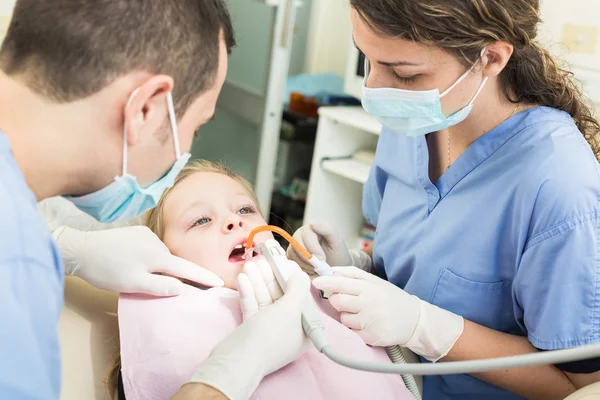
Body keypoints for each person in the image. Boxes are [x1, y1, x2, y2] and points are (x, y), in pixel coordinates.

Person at [287, 0, 600, 399]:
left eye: (404, 73)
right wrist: (349, 269)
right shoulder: (412, 120)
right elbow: (411, 262)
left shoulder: (561, 187)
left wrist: (427, 328)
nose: (374, 88)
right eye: (366, 58)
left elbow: (580, 386)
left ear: (491, 57)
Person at [0, 0, 310, 399]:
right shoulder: (17, 267)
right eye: (195, 128)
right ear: (146, 108)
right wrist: (239, 366)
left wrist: (59, 244)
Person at [110, 160, 409, 399]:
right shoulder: (167, 328)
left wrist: (343, 274)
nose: (235, 221)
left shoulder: (312, 292)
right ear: (164, 259)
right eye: (201, 220)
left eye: (245, 209)